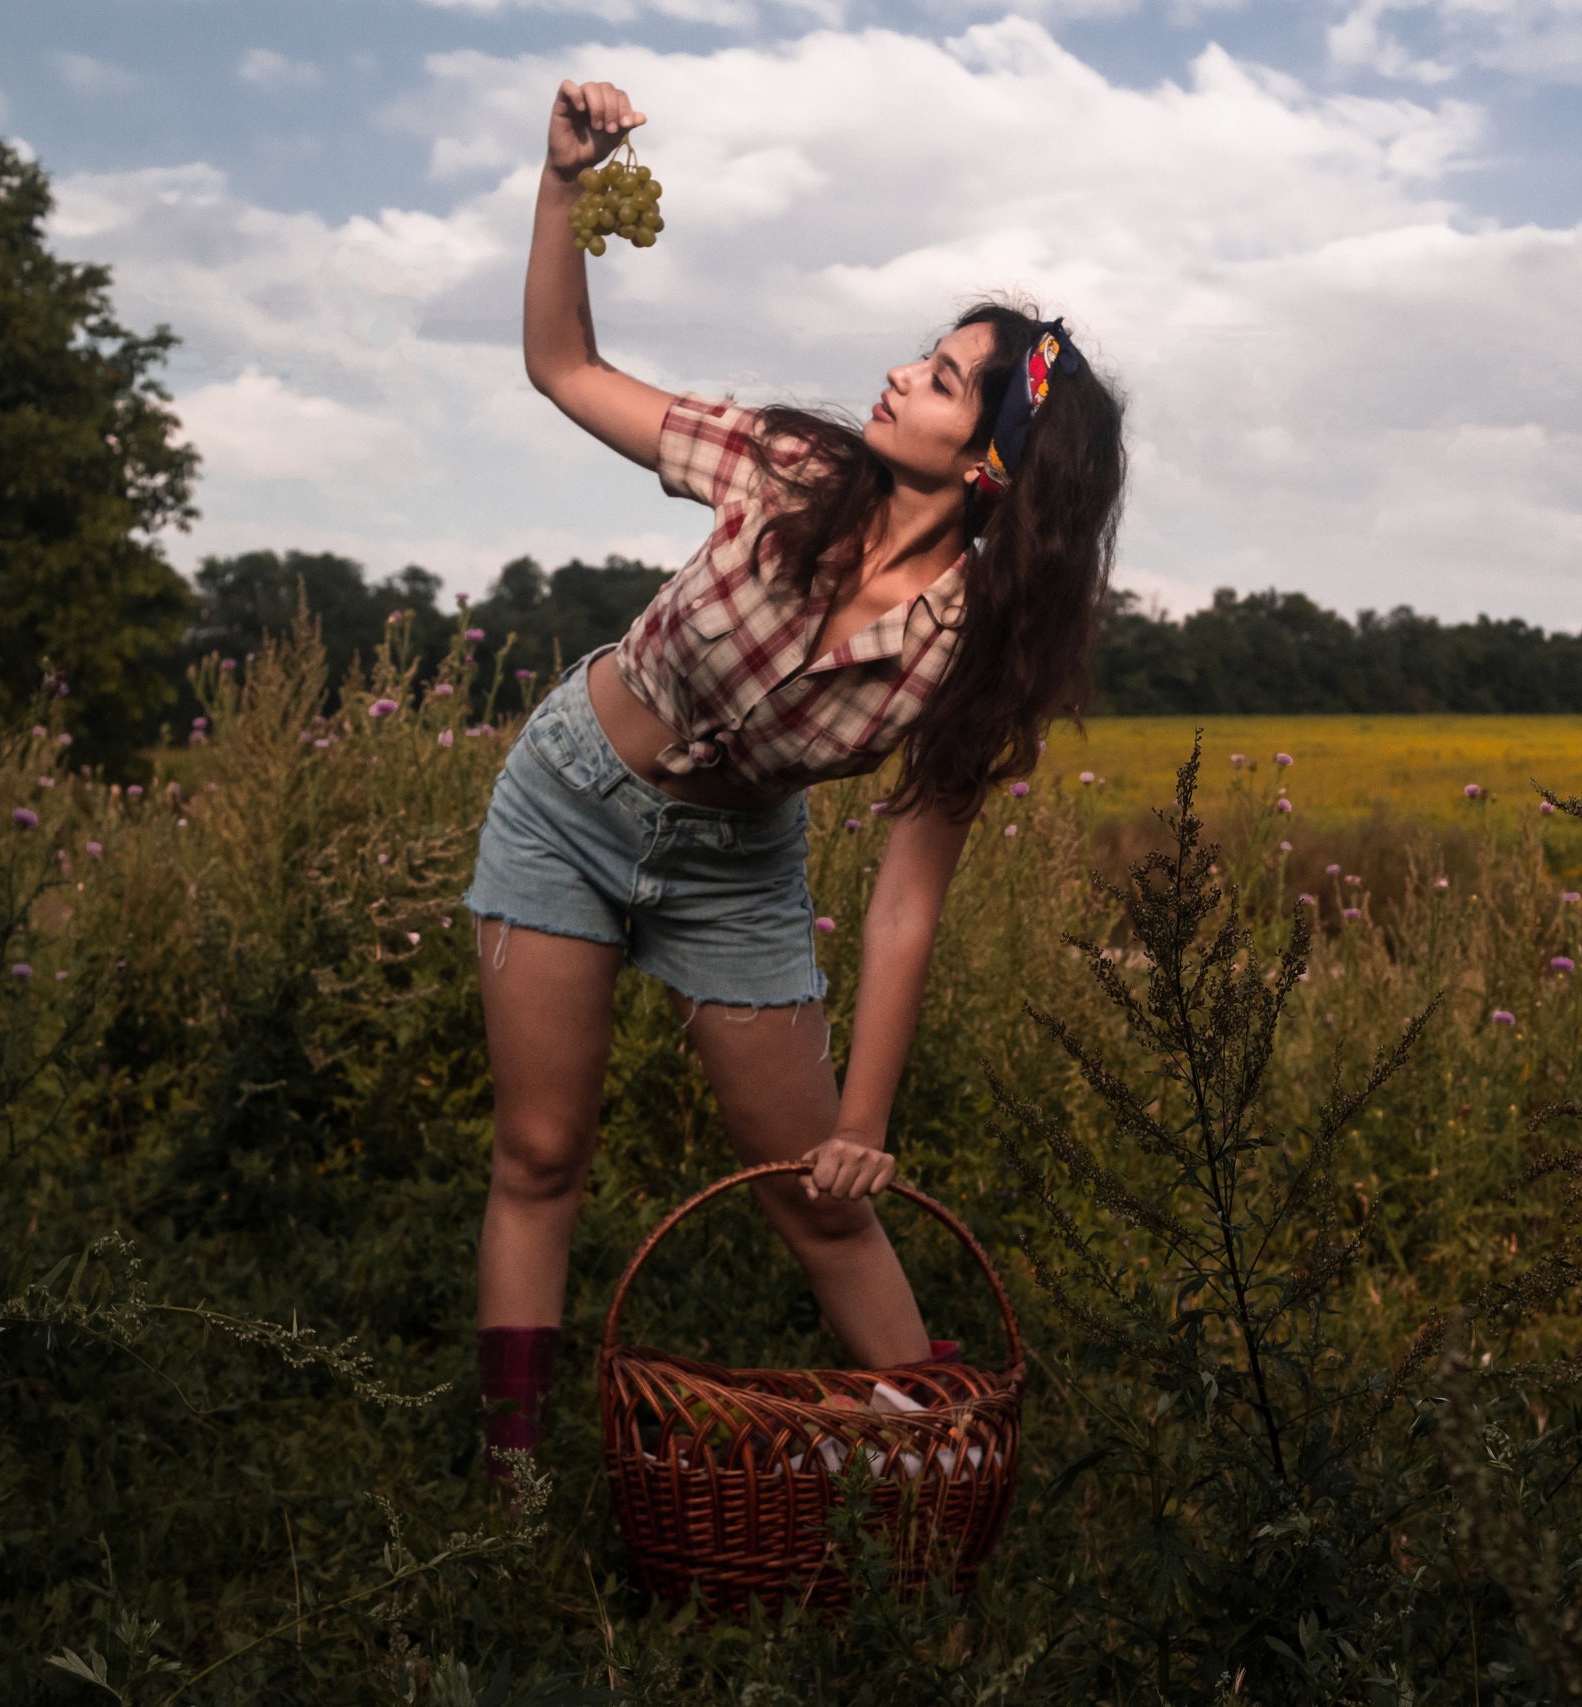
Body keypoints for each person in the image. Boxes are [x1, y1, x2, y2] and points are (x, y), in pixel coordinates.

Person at [466, 77, 1126, 1483]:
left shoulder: (968, 655)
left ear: (997, 458)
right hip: (569, 798)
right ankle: (508, 1475)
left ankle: (942, 1455)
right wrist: (564, 186)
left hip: (732, 870)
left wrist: (867, 1128)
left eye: (943, 380)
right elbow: (563, 369)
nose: (900, 374)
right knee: (539, 1155)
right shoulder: (780, 463)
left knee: (818, 1195)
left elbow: (901, 905)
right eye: (925, 357)